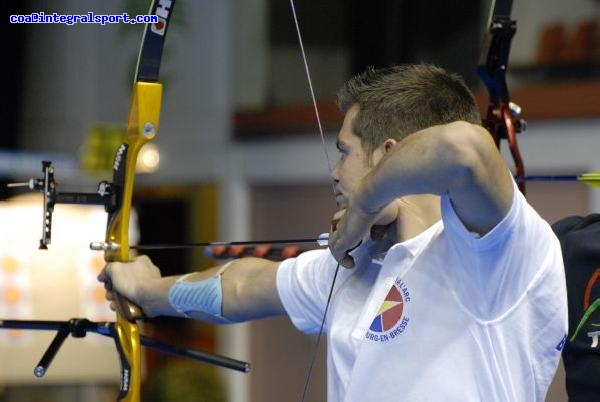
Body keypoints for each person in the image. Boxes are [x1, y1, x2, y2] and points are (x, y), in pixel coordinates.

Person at [98, 64, 568, 401]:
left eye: (344, 152)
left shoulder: (493, 252)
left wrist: (365, 204)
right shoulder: (358, 263)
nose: (336, 172)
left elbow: (462, 148)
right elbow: (242, 287)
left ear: (387, 154)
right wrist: (148, 291)